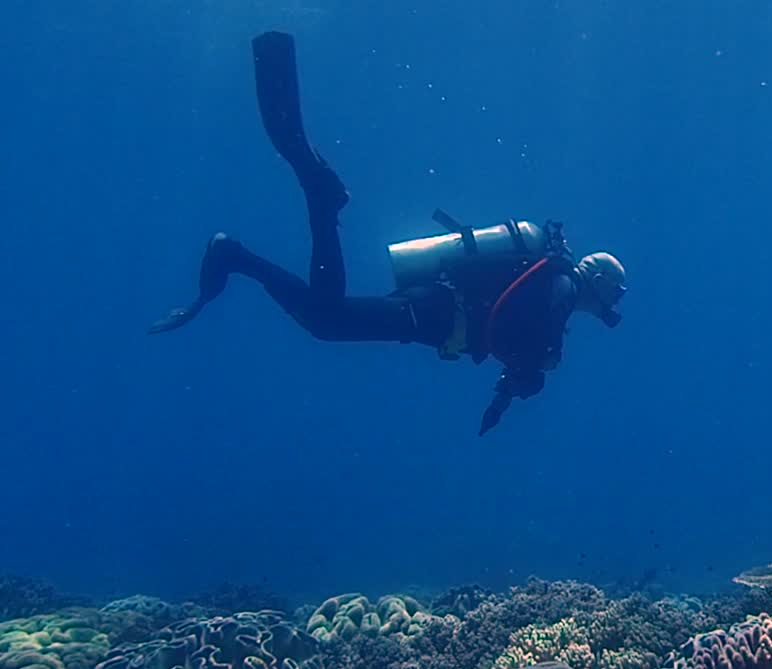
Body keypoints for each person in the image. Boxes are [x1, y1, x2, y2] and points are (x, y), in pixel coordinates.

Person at [148, 31, 627, 436]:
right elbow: (520, 329)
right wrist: (537, 368)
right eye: (614, 296)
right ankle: (312, 203)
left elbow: (513, 328)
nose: (610, 307)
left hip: (437, 311)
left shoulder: (554, 279)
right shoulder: (562, 286)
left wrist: (509, 389)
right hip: (436, 312)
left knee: (328, 320)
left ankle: (241, 253)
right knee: (329, 321)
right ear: (600, 284)